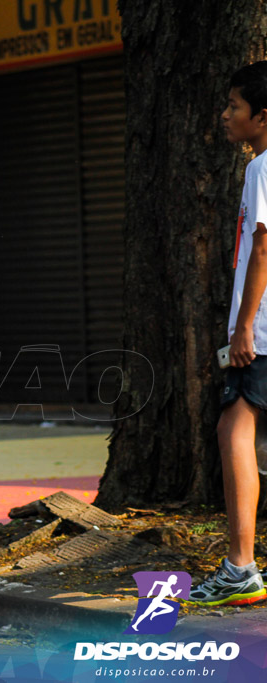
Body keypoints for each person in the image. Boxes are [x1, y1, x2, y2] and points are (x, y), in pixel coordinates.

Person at [190, 61, 267, 607]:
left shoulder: (262, 167)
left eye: (234, 106)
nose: (225, 115)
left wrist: (243, 327)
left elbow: (263, 246)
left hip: (262, 332)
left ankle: (241, 568)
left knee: (233, 430)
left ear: (262, 117)